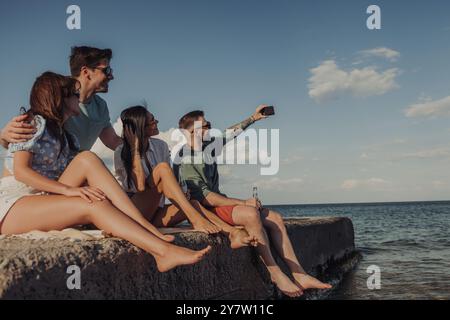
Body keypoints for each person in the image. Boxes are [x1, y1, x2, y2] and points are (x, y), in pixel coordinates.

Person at [0, 72, 211, 272]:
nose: (79, 98)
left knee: (87, 160)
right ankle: (162, 251)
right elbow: (21, 172)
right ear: (60, 98)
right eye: (74, 94)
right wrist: (67, 190)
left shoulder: (67, 137)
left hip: (44, 198)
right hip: (15, 202)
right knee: (89, 196)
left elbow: (89, 165)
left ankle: (146, 228)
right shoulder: (33, 122)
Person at [174, 106, 332, 297]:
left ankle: (299, 274)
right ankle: (275, 273)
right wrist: (244, 202)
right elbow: (205, 197)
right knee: (250, 214)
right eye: (206, 125)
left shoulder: (207, 147)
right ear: (192, 132)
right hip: (203, 208)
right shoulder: (186, 158)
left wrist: (253, 118)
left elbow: (228, 134)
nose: (210, 129)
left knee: (274, 217)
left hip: (215, 203)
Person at [114, 105, 257, 248]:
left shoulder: (160, 146)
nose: (156, 121)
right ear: (140, 127)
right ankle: (195, 220)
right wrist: (135, 150)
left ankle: (231, 233)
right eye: (152, 120)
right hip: (135, 214)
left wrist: (183, 193)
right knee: (162, 169)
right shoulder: (122, 152)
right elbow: (139, 187)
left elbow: (168, 182)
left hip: (156, 213)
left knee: (193, 203)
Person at [0, 46, 122, 152]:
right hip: (53, 170)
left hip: (79, 169)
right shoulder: (58, 94)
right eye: (107, 70)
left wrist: (138, 149)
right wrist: (3, 137)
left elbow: (113, 140)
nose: (111, 76)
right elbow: (26, 133)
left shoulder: (101, 106)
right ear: (86, 72)